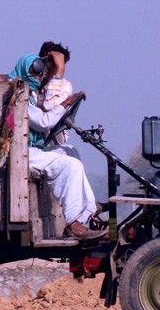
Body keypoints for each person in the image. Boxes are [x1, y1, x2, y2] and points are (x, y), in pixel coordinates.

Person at [8, 53, 107, 241]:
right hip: (21, 153)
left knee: (70, 151)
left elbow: (45, 115)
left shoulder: (28, 96)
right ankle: (72, 223)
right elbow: (45, 122)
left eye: (40, 72)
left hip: (32, 150)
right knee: (70, 165)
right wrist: (66, 102)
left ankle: (88, 208)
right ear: (24, 71)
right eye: (34, 72)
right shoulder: (17, 96)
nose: (37, 77)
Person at [37, 41, 81, 160]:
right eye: (47, 61)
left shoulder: (64, 85)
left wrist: (57, 74)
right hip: (34, 136)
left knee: (72, 155)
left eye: (55, 63)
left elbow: (51, 108)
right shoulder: (31, 83)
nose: (50, 66)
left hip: (53, 134)